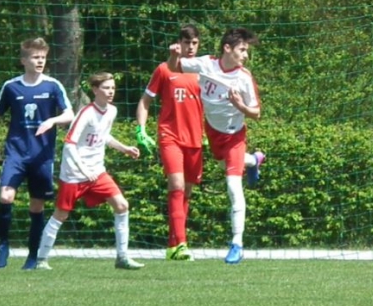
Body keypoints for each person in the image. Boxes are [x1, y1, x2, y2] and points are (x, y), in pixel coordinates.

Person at [167, 27, 264, 265]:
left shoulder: (244, 77)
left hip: (235, 136)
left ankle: (237, 244)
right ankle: (254, 160)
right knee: (225, 164)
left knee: (233, 185)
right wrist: (173, 54)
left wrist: (241, 107)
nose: (246, 55)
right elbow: (174, 67)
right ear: (227, 48)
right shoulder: (206, 64)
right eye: (242, 50)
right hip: (213, 132)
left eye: (247, 51)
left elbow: (256, 113)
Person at [0, 37, 75, 270]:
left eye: (43, 57)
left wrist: (52, 121)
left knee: (36, 207)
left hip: (42, 156)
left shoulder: (52, 86)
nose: (40, 61)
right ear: (23, 60)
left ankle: (32, 256)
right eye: (35, 57)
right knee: (5, 197)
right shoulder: (11, 86)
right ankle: (3, 244)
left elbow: (69, 114)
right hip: (16, 153)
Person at [35, 72, 144, 270]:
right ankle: (41, 259)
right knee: (61, 215)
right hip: (74, 174)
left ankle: (122, 257)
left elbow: (104, 136)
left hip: (97, 172)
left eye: (112, 88)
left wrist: (125, 148)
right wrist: (84, 170)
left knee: (122, 205)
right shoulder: (86, 113)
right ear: (95, 90)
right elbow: (69, 144)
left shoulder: (111, 111)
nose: (110, 92)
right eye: (106, 88)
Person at [135, 25, 206, 261]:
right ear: (178, 43)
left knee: (186, 191)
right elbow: (145, 101)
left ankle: (172, 244)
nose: (190, 47)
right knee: (176, 184)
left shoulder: (203, 71)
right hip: (170, 136)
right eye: (186, 43)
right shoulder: (165, 69)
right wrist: (141, 129)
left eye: (194, 43)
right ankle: (182, 244)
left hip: (195, 138)